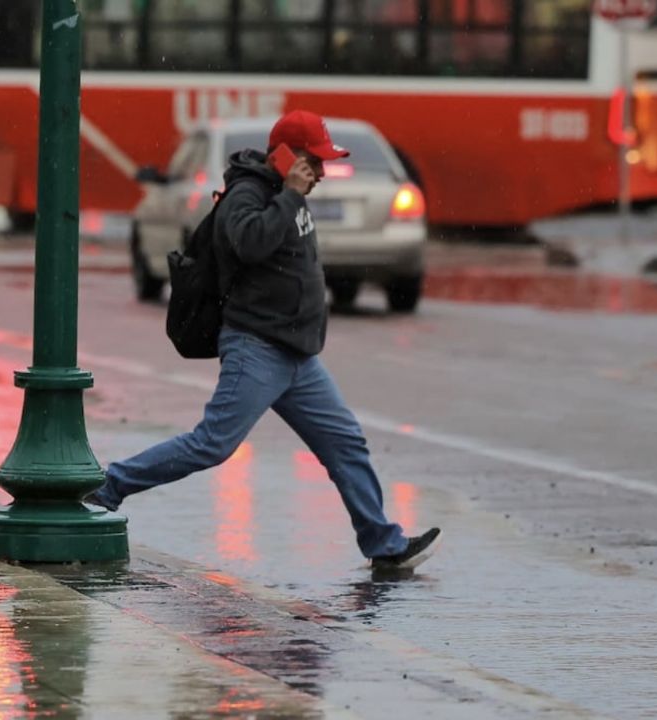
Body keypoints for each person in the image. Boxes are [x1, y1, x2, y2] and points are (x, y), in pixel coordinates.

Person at [89, 110, 440, 570]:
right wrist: (290, 195)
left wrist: (292, 197)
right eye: (315, 161)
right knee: (212, 444)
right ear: (287, 157)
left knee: (345, 444)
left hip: (297, 355)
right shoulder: (248, 193)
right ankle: (108, 486)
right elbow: (249, 244)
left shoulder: (288, 195)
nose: (322, 172)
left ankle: (384, 545)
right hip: (256, 347)